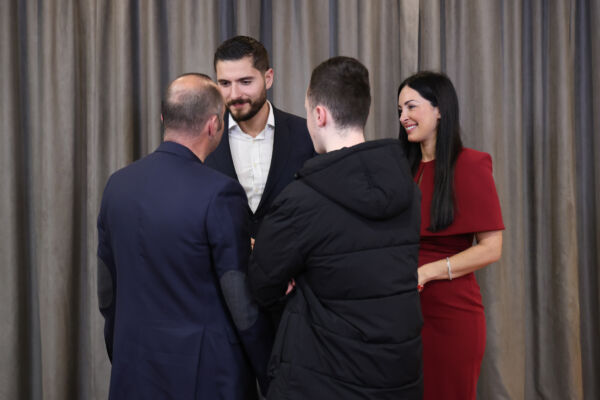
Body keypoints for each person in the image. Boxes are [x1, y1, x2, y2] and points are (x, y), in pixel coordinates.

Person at [249, 57, 424, 399]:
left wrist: (293, 278)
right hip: (398, 372)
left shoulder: (300, 200)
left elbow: (262, 283)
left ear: (319, 115)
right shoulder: (408, 189)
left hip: (324, 376)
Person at [97, 73, 273, 399]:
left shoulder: (117, 185)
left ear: (163, 117)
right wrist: (269, 371)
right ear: (213, 125)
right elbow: (241, 302)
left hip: (133, 369)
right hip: (206, 378)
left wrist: (121, 349)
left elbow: (107, 291)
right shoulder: (221, 193)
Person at [397, 71, 504, 400]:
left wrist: (427, 272)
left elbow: (491, 248)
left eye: (411, 107)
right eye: (400, 110)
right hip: (401, 314)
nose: (403, 118)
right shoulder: (401, 169)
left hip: (451, 316)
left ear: (440, 109)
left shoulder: (471, 164)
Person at [205, 35, 315, 238]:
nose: (235, 94)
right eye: (225, 83)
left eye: (245, 82)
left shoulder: (307, 133)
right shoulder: (204, 138)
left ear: (268, 78)